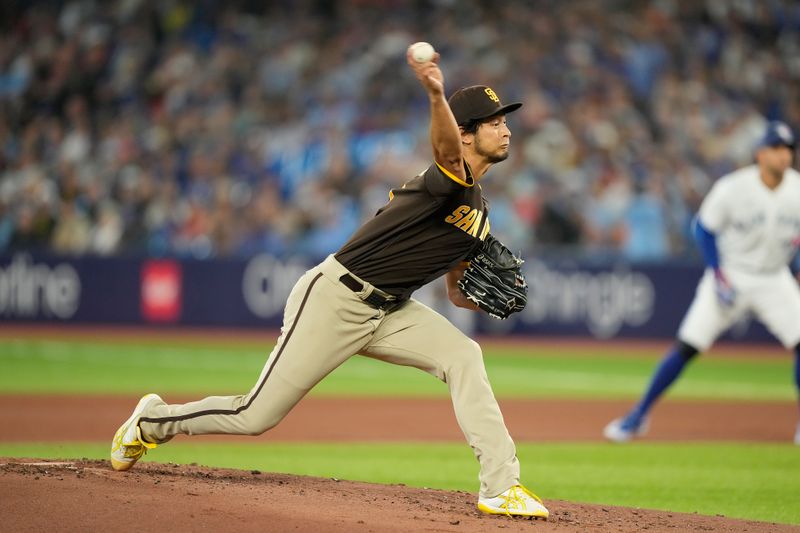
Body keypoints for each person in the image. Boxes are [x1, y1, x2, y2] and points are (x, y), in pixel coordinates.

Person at [110, 45, 549, 519]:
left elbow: (456, 292)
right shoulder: (448, 179)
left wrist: (480, 298)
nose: (506, 128)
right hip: (337, 297)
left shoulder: (478, 211)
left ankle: (501, 486)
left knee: (465, 354)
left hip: (391, 311)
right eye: (494, 121)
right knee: (256, 415)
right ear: (466, 135)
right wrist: (434, 93)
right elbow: (443, 147)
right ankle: (152, 421)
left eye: (505, 119)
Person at [603, 120, 800, 445]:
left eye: (789, 149)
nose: (785, 155)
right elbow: (704, 228)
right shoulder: (734, 187)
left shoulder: (796, 188)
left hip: (773, 278)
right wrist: (717, 272)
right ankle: (636, 417)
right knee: (687, 346)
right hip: (730, 274)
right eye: (777, 149)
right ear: (760, 153)